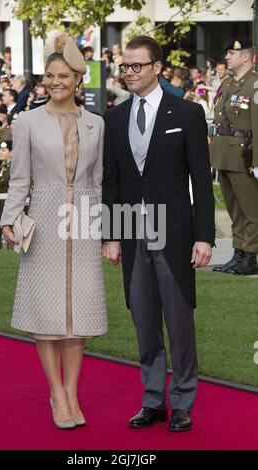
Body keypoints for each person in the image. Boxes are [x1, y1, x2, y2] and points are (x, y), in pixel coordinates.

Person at [102, 35, 214, 432]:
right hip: (132, 234)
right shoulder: (113, 119)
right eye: (125, 66)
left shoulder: (186, 113)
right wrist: (111, 235)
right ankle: (153, 400)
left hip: (176, 233)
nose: (129, 72)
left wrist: (205, 236)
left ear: (157, 68)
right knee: (145, 322)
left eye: (137, 66)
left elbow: (202, 180)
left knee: (179, 322)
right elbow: (112, 182)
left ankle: (182, 401)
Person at [0, 32, 107, 429]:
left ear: (78, 79)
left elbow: (97, 182)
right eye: (49, 75)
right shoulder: (26, 120)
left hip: (84, 217)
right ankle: (56, 394)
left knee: (79, 312)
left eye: (63, 75)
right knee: (45, 309)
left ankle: (73, 393)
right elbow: (19, 178)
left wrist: (103, 231)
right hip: (43, 215)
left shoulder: (97, 123)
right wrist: (10, 219)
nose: (56, 82)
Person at [211, 38, 258, 275]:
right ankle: (238, 253)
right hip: (225, 155)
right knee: (235, 210)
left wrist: (257, 161)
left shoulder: (255, 84)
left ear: (247, 56)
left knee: (251, 210)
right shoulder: (229, 84)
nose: (227, 57)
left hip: (244, 156)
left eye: (231, 53)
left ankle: (250, 256)